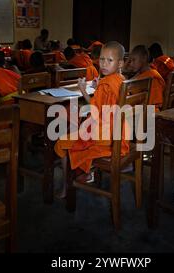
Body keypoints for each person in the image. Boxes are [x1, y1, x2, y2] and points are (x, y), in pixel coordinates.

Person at [54, 41, 128, 194]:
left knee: (61, 142)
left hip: (105, 139)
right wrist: (98, 88)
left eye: (109, 60)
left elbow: (94, 110)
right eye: (102, 59)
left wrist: (83, 90)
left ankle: (67, 185)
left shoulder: (106, 84)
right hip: (120, 136)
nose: (104, 64)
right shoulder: (122, 80)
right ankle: (85, 173)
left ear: (120, 62)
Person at [128, 45, 166, 110]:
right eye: (130, 61)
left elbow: (153, 106)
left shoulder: (153, 78)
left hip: (150, 115)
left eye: (134, 60)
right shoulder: (141, 73)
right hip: (139, 110)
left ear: (144, 58)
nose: (131, 64)